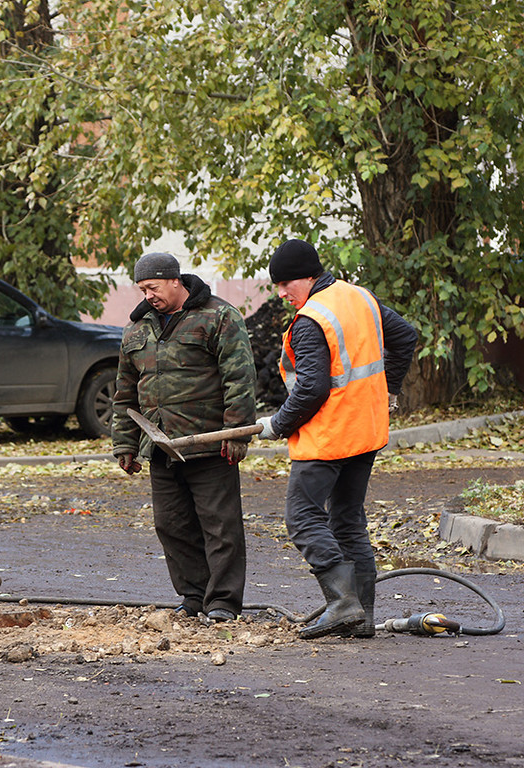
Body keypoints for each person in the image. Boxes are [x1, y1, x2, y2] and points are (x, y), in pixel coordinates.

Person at [256, 239, 417, 639]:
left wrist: (278, 423)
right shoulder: (359, 297)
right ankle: (361, 618)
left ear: (308, 276)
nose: (281, 293)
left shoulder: (313, 318)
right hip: (366, 430)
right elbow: (406, 335)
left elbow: (311, 389)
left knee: (303, 517)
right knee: (347, 521)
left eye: (285, 283)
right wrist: (389, 392)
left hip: (329, 436)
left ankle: (343, 604)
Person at [112, 252, 257, 623]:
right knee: (172, 526)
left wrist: (237, 431)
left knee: (220, 527)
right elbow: (125, 394)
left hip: (209, 444)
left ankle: (223, 602)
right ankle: (193, 597)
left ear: (175, 280)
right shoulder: (137, 329)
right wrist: (125, 444)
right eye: (142, 289)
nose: (148, 295)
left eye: (153, 287)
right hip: (161, 448)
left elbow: (239, 377)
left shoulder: (218, 317)